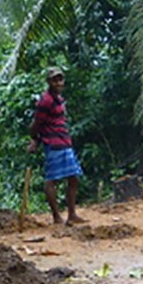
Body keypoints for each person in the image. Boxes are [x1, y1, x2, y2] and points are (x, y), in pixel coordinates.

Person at [28, 66, 86, 226]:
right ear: (49, 82)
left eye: (60, 79)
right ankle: (56, 216)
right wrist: (34, 139)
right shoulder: (45, 101)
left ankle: (72, 214)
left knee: (73, 178)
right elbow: (37, 123)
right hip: (52, 143)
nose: (58, 82)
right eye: (55, 80)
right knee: (51, 180)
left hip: (64, 141)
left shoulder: (59, 99)